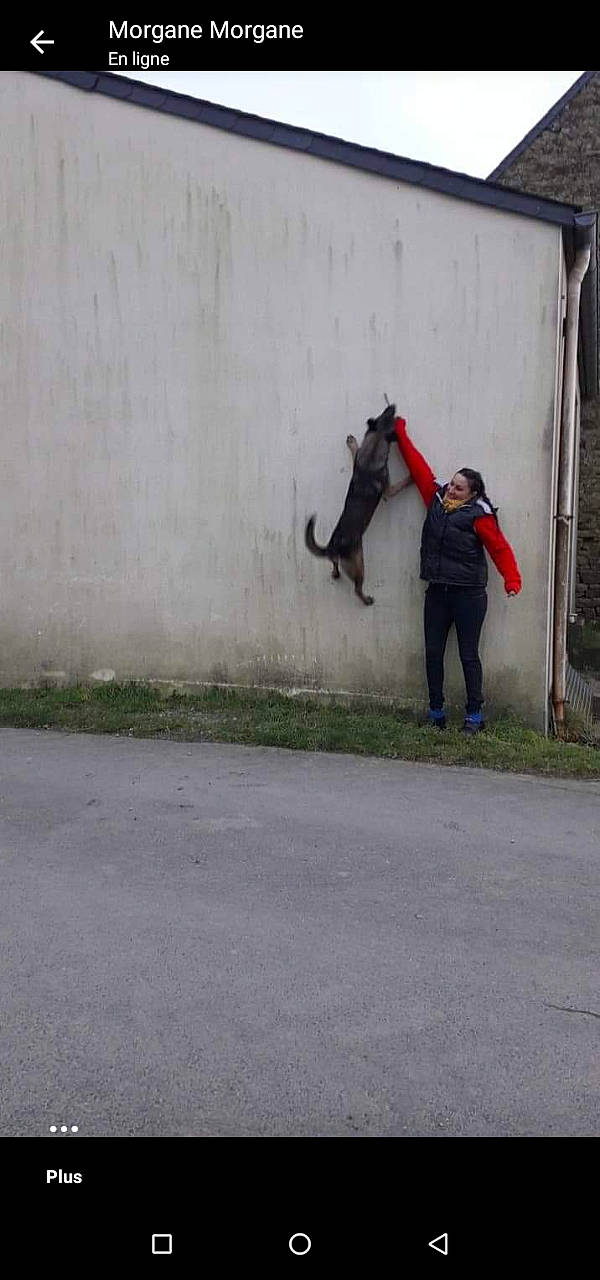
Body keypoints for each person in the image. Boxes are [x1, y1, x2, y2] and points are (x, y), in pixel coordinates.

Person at [391, 415, 522, 733]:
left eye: (458, 487)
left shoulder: (479, 516)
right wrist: (400, 433)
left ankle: (473, 716)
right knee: (433, 653)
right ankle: (435, 713)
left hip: (469, 596)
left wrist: (511, 578)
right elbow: (418, 466)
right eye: (451, 483)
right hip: (438, 592)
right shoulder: (436, 500)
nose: (450, 489)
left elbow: (500, 549)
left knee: (468, 656)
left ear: (472, 493)